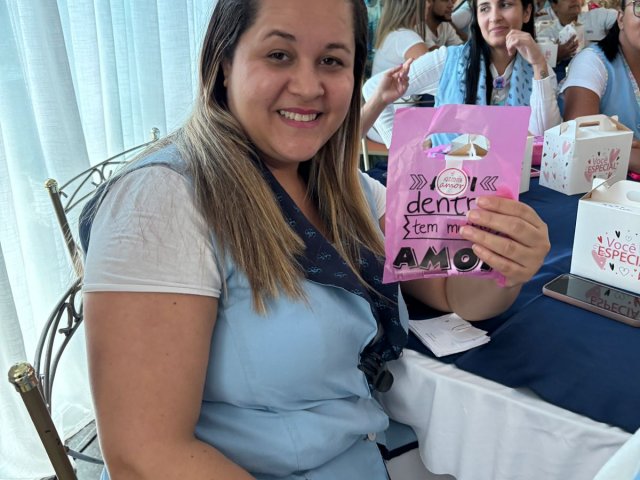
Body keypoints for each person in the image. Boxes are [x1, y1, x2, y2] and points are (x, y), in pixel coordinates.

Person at [79, 0, 550, 479]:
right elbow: (144, 456)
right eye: (279, 55)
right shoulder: (163, 201)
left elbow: (452, 293)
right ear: (224, 63)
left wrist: (503, 263)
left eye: (331, 60)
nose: (308, 87)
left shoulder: (349, 189)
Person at [364, 0, 562, 148]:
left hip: (516, 180)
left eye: (505, 5)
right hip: (449, 179)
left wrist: (538, 64)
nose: (494, 17)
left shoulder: (540, 69)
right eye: (484, 8)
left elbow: (544, 138)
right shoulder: (447, 61)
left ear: (527, 12)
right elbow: (374, 88)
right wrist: (402, 145)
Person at [561, 0, 640, 177]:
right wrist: (623, 152)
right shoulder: (592, 63)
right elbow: (580, 141)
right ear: (621, 19)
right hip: (602, 188)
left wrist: (617, 145)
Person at [535, 0, 617, 80]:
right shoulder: (547, 35)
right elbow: (536, 60)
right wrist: (557, 54)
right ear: (554, 5)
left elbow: (621, 20)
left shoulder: (598, 16)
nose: (574, 0)